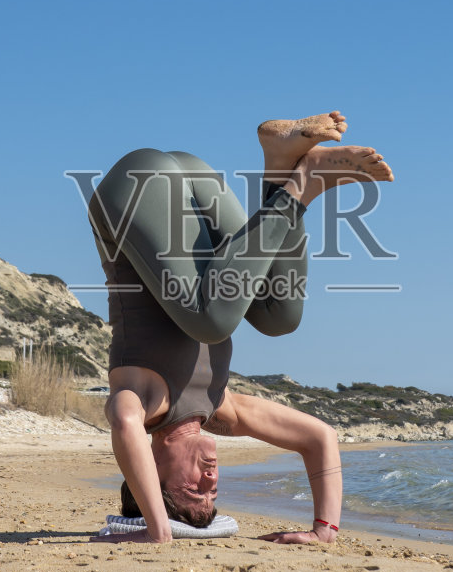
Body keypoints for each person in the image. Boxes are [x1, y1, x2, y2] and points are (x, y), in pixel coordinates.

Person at [85, 112, 393, 544]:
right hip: (196, 183)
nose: (210, 479)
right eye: (213, 491)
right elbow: (320, 438)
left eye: (194, 487)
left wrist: (160, 532)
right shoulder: (221, 408)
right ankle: (280, 162)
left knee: (213, 321)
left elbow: (123, 429)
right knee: (279, 315)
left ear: (152, 472)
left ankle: (302, 188)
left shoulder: (141, 405)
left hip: (134, 187)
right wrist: (324, 531)